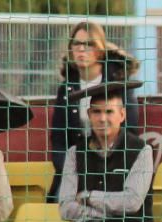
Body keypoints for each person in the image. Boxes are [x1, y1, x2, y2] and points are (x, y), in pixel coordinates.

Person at [53, 81, 154, 222]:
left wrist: (89, 197)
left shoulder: (141, 150)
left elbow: (132, 202)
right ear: (89, 115)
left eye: (109, 112)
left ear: (122, 115)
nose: (102, 118)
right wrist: (103, 213)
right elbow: (66, 207)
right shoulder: (75, 152)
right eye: (97, 112)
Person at [47, 21, 141, 202]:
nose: (81, 49)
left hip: (115, 168)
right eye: (77, 44)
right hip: (76, 170)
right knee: (61, 202)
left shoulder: (120, 83)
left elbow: (131, 132)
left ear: (100, 48)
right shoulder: (66, 88)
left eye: (88, 44)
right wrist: (72, 171)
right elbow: (58, 141)